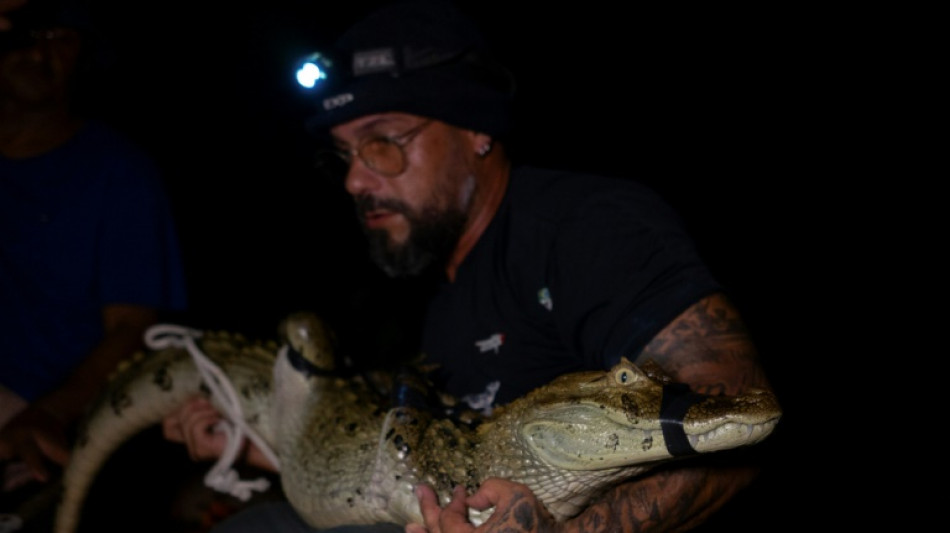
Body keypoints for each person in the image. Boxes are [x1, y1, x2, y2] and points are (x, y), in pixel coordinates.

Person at [162, 1, 777, 532]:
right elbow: (433, 470)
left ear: (476, 131)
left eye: (384, 142)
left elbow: (733, 412)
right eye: (346, 154)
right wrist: (264, 448)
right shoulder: (441, 295)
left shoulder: (585, 226)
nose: (354, 180)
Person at [0, 0, 188, 495]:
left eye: (60, 39)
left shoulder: (119, 172)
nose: (38, 54)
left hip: (54, 419)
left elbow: (132, 328)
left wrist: (50, 413)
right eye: (22, 38)